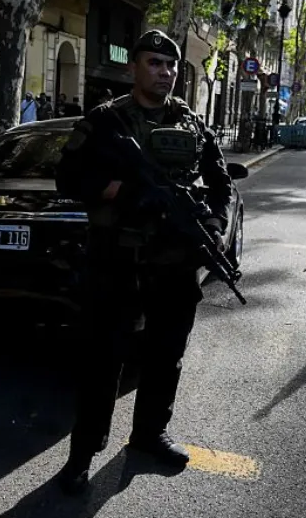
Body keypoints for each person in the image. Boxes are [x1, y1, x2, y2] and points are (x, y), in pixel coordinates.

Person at [54, 29, 233, 494]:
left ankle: (149, 434)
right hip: (116, 260)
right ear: (133, 67)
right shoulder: (105, 121)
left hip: (174, 263)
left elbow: (221, 184)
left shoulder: (193, 124)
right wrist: (123, 190)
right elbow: (68, 178)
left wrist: (214, 225)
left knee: (166, 355)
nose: (165, 72)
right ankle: (83, 453)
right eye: (155, 63)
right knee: (102, 361)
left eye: (171, 65)